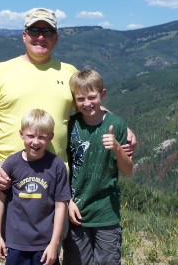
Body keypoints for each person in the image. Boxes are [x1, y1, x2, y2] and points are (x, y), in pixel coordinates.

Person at [0, 8, 136, 265]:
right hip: (5, 173)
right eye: (35, 30)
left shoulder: (68, 72)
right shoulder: (1, 71)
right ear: (24, 35)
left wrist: (122, 126)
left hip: (53, 175)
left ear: (56, 37)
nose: (40, 37)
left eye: (47, 31)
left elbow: (88, 103)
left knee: (45, 253)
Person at [62, 69, 133, 265]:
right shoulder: (70, 126)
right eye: (81, 99)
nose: (87, 103)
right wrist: (67, 201)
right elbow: (63, 167)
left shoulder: (116, 125)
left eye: (92, 97)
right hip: (76, 211)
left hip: (106, 213)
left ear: (102, 94)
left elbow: (127, 170)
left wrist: (117, 148)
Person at [0, 109, 70, 265]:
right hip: (15, 242)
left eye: (42, 137)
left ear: (51, 137)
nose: (35, 142)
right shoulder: (12, 163)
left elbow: (61, 206)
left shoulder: (57, 166)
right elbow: (0, 199)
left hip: (45, 243)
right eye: (30, 136)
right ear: (21, 134)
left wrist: (54, 243)